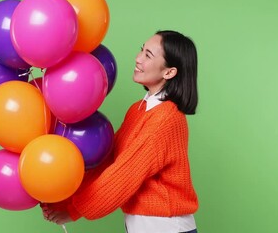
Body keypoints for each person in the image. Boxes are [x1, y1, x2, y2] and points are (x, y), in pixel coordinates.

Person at [42, 30, 199, 233]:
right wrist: (65, 199)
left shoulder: (166, 118)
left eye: (148, 55)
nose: (138, 58)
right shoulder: (138, 110)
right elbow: (109, 160)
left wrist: (74, 210)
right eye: (142, 50)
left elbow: (123, 176)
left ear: (169, 72)